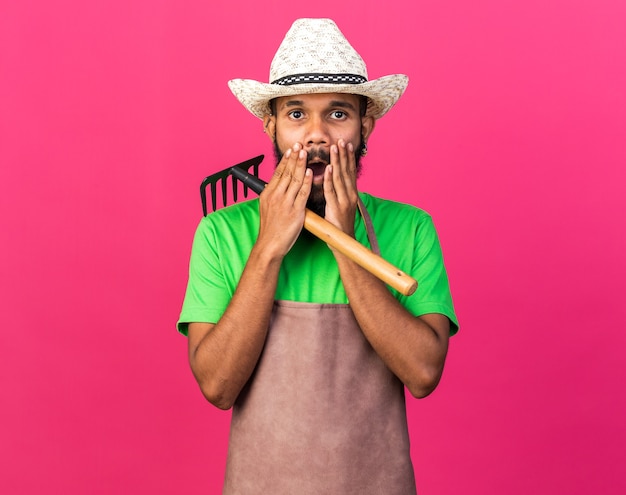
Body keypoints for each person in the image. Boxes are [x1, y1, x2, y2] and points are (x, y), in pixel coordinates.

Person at [178, 18, 458, 494]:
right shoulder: (222, 232)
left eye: (337, 114)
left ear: (366, 123)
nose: (315, 135)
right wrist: (267, 248)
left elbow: (424, 373)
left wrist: (344, 241)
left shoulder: (410, 229)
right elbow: (218, 387)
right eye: (295, 114)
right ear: (270, 124)